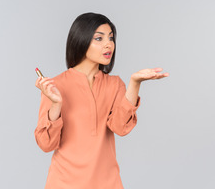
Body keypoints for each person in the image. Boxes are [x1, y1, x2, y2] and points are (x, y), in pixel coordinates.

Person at [34, 12, 169, 189]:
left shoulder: (114, 85)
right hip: (63, 183)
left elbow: (120, 128)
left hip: (107, 183)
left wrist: (135, 83)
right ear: (80, 40)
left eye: (111, 38)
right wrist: (56, 104)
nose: (108, 44)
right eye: (99, 38)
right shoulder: (55, 86)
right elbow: (46, 144)